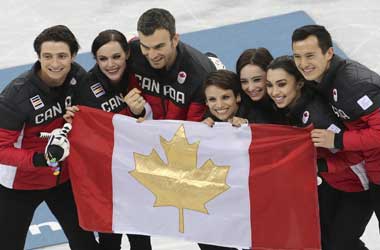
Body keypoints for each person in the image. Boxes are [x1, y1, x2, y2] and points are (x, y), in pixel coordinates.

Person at [0, 25, 99, 250]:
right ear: (38, 57)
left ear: (73, 56)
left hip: (62, 179)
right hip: (20, 185)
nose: (55, 64)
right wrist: (39, 159)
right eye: (48, 56)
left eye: (62, 56)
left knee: (85, 243)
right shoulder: (16, 96)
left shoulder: (77, 76)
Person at [265, 56, 372, 250]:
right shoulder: (290, 108)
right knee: (324, 239)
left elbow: (357, 154)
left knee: (340, 244)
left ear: (299, 83)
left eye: (281, 84)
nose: (274, 92)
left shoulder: (318, 116)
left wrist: (320, 166)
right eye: (269, 85)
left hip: (359, 187)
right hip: (332, 183)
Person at [64, 29, 151, 250]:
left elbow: (155, 122)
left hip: (138, 172)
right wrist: (71, 120)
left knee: (141, 238)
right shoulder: (85, 88)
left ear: (127, 55)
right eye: (103, 59)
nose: (110, 64)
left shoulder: (140, 74)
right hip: (106, 177)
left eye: (116, 57)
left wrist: (140, 113)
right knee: (109, 239)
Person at [128, 8, 220, 121]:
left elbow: (194, 126)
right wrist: (137, 113)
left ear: (175, 40)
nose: (152, 55)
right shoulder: (132, 52)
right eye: (146, 47)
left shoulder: (199, 75)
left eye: (159, 47)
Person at [235, 48, 282, 124]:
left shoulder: (287, 100)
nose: (251, 88)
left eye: (257, 80)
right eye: (244, 82)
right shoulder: (237, 104)